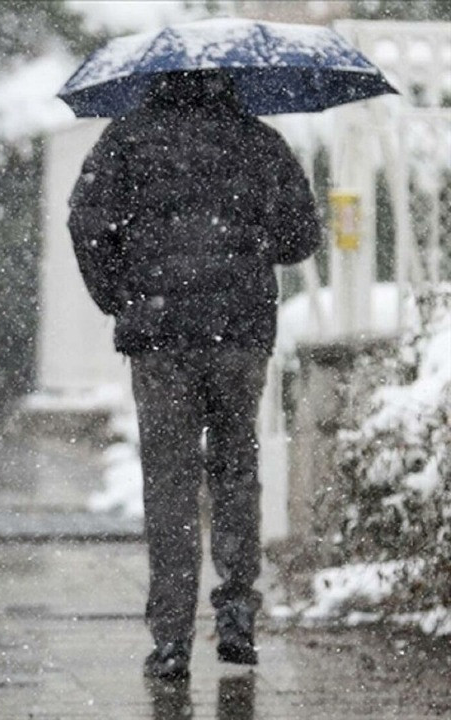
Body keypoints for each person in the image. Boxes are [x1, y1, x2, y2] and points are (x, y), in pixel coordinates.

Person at [67, 71, 321, 680]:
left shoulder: (124, 140)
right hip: (238, 333)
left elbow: (86, 224)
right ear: (228, 81)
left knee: (170, 482)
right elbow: (301, 237)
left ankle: (172, 639)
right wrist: (250, 242)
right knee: (236, 469)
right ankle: (236, 611)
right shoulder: (259, 141)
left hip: (159, 337)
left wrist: (121, 297)